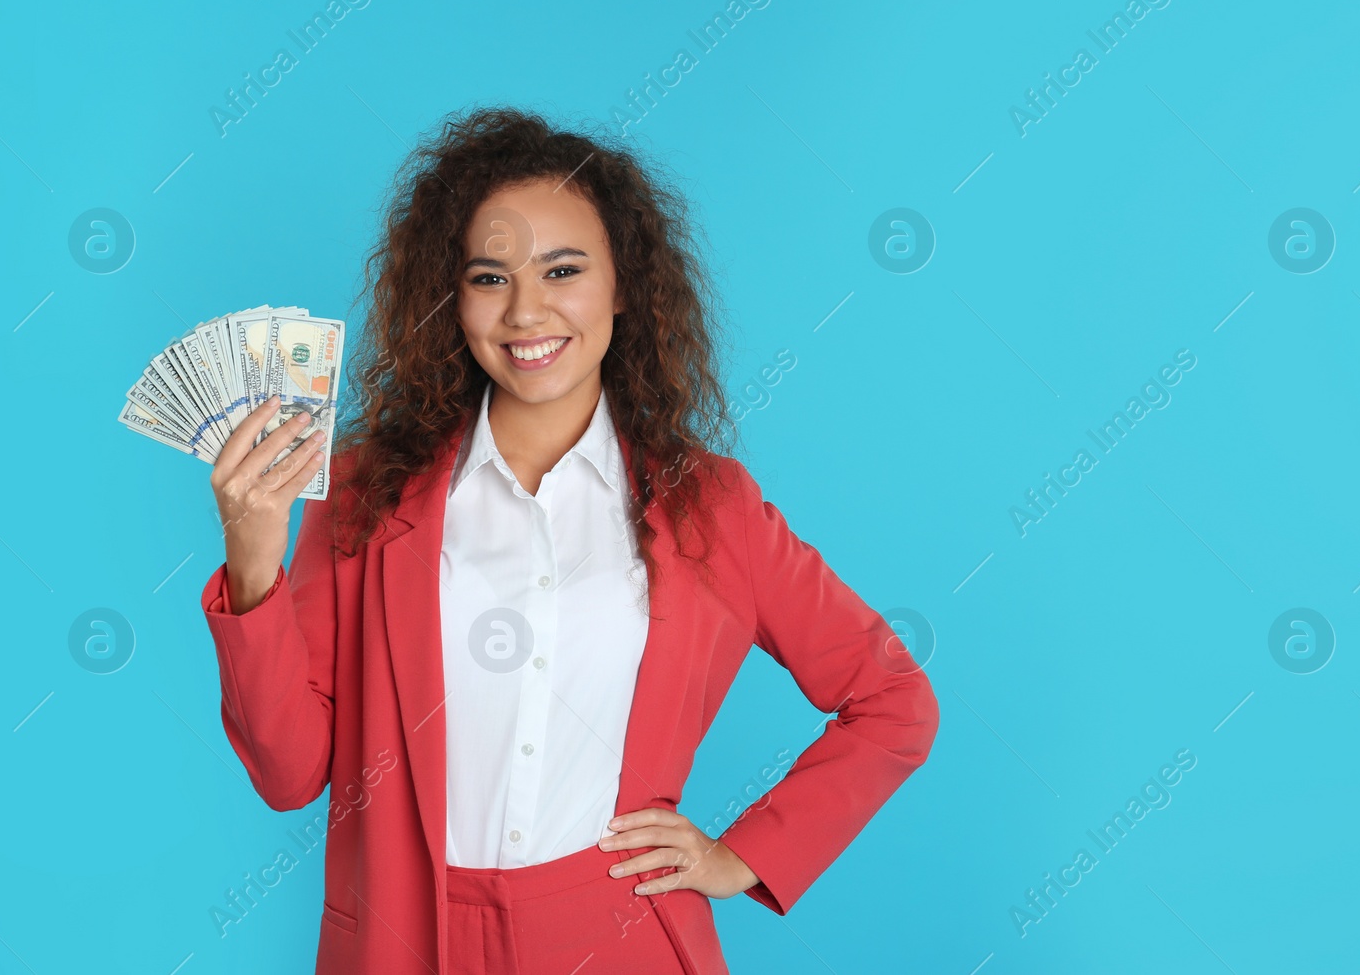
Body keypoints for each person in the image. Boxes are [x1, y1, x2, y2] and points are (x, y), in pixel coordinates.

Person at [201, 106, 939, 974]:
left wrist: (740, 856)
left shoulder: (711, 507)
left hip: (618, 934)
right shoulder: (363, 491)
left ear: (624, 284)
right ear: (452, 296)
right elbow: (290, 774)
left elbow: (893, 701)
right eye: (489, 276)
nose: (526, 311)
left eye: (563, 269)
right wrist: (254, 559)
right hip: (406, 934)